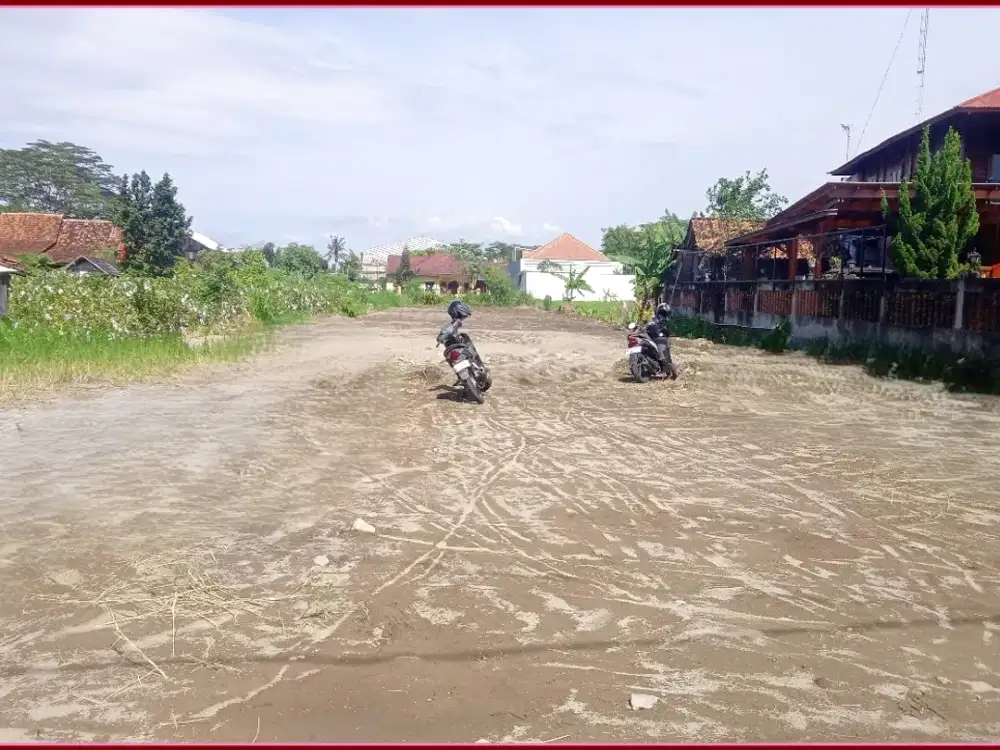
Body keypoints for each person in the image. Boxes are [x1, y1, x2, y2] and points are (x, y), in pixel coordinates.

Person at [645, 303, 673, 371]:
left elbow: (667, 330)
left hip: (657, 337)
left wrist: (665, 332)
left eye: (664, 313)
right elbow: (648, 325)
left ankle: (666, 364)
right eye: (661, 312)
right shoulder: (654, 319)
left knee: (664, 346)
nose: (662, 314)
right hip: (651, 336)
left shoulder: (665, 320)